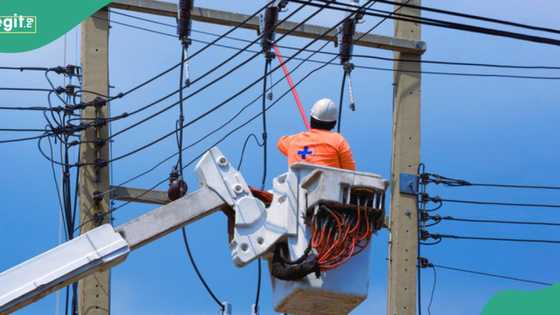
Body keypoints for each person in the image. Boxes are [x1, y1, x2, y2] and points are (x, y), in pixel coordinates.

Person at [277, 98, 356, 171]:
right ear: (334, 124)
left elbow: (280, 142)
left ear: (311, 119)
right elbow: (350, 172)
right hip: (329, 185)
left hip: (297, 185)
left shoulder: (292, 141)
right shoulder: (338, 141)